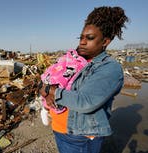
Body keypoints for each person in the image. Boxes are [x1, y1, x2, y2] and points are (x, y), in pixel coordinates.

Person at [39, 6, 129, 153]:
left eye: (90, 38)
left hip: (81, 137)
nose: (82, 42)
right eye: (81, 37)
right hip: (60, 129)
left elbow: (85, 102)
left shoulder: (109, 68)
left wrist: (50, 90)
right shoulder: (72, 60)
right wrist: (44, 87)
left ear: (105, 41)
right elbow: (48, 76)